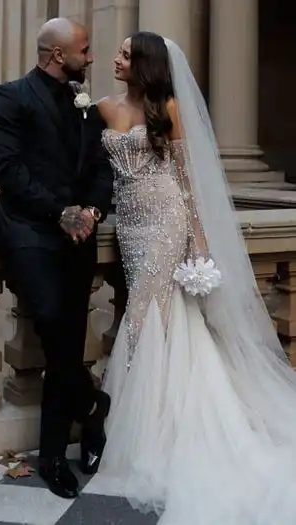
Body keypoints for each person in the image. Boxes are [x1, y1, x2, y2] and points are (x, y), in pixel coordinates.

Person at [93, 31, 296, 524]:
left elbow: (185, 178)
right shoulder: (100, 106)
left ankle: (146, 426)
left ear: (144, 63)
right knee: (157, 317)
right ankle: (153, 418)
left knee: (142, 315)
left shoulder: (170, 109)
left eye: (124, 53)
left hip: (166, 220)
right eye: (117, 52)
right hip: (130, 225)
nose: (115, 59)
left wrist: (198, 240)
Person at [0, 17, 114, 499]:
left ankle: (54, 455)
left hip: (80, 238)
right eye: (84, 50)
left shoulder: (88, 108)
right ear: (57, 55)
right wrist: (60, 212)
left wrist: (92, 210)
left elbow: (102, 168)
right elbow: (8, 170)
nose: (91, 58)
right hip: (29, 231)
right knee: (54, 321)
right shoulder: (8, 98)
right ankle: (95, 407)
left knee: (69, 343)